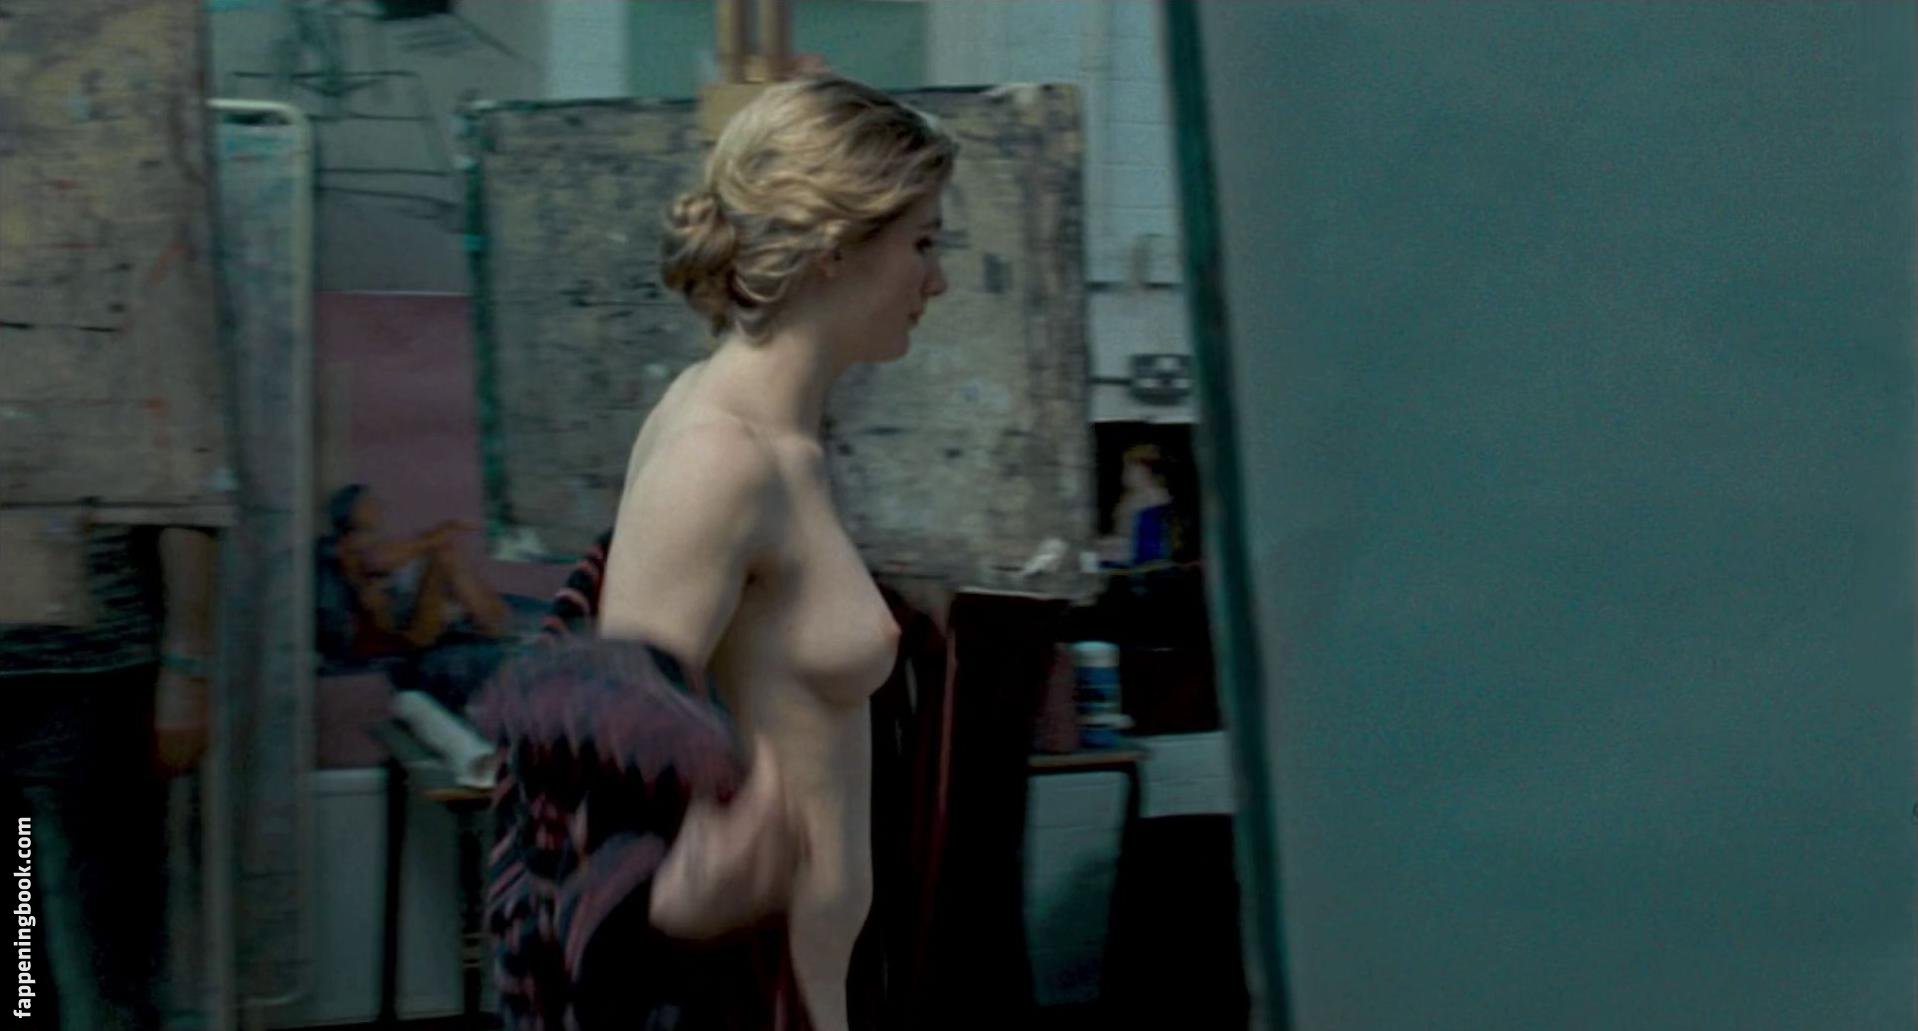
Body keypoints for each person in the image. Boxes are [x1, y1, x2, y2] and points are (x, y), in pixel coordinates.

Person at [596, 75, 955, 1030]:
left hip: (811, 989)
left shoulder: (789, 440)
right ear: (836, 248)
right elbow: (604, 773)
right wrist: (682, 889)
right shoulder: (720, 456)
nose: (938, 281)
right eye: (923, 244)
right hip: (749, 997)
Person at [0, 521, 216, 1029]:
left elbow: (184, 497)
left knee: (114, 943)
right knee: (19, 946)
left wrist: (188, 664)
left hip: (98, 669)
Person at [315, 483, 510, 663]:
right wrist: (434, 539)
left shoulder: (364, 541)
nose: (377, 506)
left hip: (401, 621)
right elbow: (378, 561)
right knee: (444, 555)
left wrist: (439, 533)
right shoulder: (351, 544)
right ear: (353, 511)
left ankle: (493, 618)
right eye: (368, 502)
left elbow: (404, 550)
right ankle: (493, 623)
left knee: (445, 554)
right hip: (399, 636)